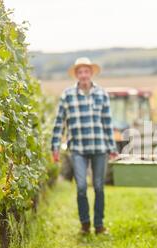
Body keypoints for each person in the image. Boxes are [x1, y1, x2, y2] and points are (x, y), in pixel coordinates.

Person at [51, 57, 118, 235]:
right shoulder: (67, 95)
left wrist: (112, 148)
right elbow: (59, 123)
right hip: (78, 149)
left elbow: (107, 123)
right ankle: (85, 224)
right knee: (81, 187)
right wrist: (55, 146)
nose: (83, 75)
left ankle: (99, 224)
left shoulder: (102, 94)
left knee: (98, 187)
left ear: (91, 73)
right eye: (80, 72)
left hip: (99, 147)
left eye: (86, 71)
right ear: (76, 75)